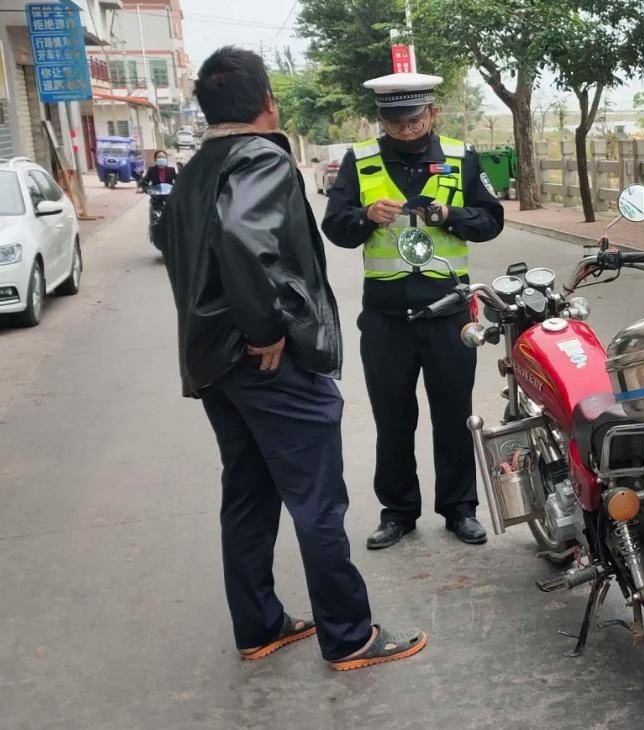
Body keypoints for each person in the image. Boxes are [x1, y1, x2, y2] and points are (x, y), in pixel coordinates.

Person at [156, 46, 426, 670]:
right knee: (317, 501)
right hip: (267, 363)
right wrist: (266, 326)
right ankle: (350, 635)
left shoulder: (197, 169)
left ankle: (259, 625)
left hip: (215, 366)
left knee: (248, 493)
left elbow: (180, 251)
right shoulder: (259, 155)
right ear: (265, 101)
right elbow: (245, 239)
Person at [323, 72, 504, 550]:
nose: (405, 130)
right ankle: (398, 512)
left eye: (414, 120)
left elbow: (491, 221)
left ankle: (460, 509)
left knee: (454, 415)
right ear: (381, 118)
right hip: (386, 321)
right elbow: (336, 227)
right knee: (393, 419)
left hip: (449, 315)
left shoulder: (461, 157)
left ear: (433, 113)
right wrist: (365, 217)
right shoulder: (359, 160)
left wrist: (448, 216)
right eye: (394, 122)